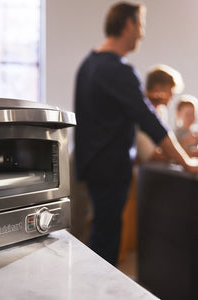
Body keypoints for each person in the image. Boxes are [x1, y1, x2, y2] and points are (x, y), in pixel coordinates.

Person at [74, 2, 198, 266]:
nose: (142, 33)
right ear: (128, 24)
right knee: (106, 243)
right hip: (110, 171)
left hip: (92, 168)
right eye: (140, 25)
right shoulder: (119, 70)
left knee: (100, 236)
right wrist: (185, 162)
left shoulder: (89, 65)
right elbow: (150, 122)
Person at [137, 64, 184, 163]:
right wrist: (184, 152)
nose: (172, 96)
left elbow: (161, 149)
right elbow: (151, 156)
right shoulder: (143, 113)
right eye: (170, 91)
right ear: (157, 88)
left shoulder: (161, 111)